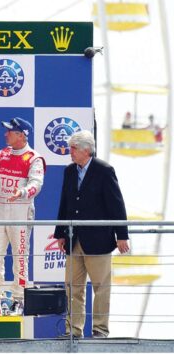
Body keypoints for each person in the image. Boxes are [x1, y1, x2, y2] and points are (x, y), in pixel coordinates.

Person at [54, 130, 129, 338]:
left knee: (101, 287)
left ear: (86, 150)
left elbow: (116, 204)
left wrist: (122, 235)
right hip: (73, 239)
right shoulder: (69, 171)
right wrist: (60, 233)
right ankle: (73, 330)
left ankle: (100, 330)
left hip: (99, 240)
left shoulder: (104, 170)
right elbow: (65, 203)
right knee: (72, 287)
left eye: (73, 148)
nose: (70, 152)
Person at [0, 117, 45, 303]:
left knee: (20, 257)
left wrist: (22, 192)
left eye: (9, 131)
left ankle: (20, 299)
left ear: (21, 135)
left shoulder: (34, 158)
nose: (5, 134)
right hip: (0, 207)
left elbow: (37, 184)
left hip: (21, 209)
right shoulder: (1, 155)